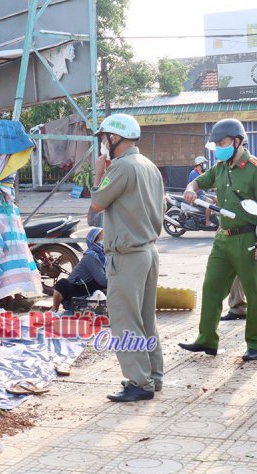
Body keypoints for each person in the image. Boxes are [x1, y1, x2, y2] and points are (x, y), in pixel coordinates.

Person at [178, 118, 257, 362]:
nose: (219, 147)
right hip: (223, 239)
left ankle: (256, 343)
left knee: (254, 293)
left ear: (237, 141)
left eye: (222, 142)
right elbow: (199, 181)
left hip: (247, 239)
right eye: (217, 143)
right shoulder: (220, 167)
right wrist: (191, 187)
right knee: (211, 288)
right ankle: (206, 339)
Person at [89, 113, 165, 402]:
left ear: (114, 138)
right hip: (148, 250)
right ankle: (153, 377)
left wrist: (99, 172)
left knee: (125, 320)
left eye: (104, 138)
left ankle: (138, 382)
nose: (102, 144)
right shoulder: (148, 165)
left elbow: (96, 203)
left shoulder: (120, 167)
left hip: (128, 256)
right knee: (146, 318)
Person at [51, 227, 107, 314]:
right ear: (95, 241)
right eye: (102, 238)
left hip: (90, 289)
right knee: (62, 284)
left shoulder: (104, 256)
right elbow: (103, 281)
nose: (105, 240)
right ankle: (54, 310)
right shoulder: (91, 257)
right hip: (76, 291)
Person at [189, 156, 216, 226]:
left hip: (202, 194)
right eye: (203, 164)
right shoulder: (194, 173)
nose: (205, 165)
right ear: (200, 164)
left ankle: (213, 213)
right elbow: (199, 186)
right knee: (210, 202)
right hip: (197, 196)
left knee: (216, 199)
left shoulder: (199, 173)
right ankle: (207, 221)